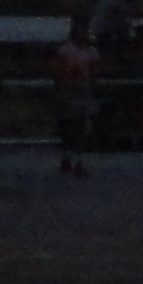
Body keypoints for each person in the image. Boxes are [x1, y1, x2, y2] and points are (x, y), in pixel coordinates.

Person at [50, 28, 103, 178]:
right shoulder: (65, 50)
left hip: (82, 88)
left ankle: (77, 160)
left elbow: (94, 72)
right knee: (68, 124)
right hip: (69, 88)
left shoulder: (91, 52)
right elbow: (56, 70)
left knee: (81, 124)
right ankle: (68, 156)